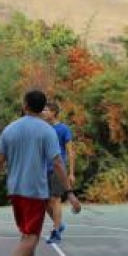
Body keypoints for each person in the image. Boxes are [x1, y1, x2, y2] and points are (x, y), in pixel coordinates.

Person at [0, 90, 81, 256]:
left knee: (27, 234)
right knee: (32, 236)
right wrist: (70, 193)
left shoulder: (10, 129)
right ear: (42, 107)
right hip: (35, 191)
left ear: (25, 104)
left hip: (15, 190)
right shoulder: (47, 132)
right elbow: (57, 163)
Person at [40, 101, 76, 244]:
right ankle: (59, 224)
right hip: (43, 169)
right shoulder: (43, 129)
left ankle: (56, 233)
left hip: (57, 168)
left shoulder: (63, 129)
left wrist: (71, 173)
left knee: (55, 199)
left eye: (46, 110)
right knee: (43, 201)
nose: (43, 112)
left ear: (53, 112)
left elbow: (71, 152)